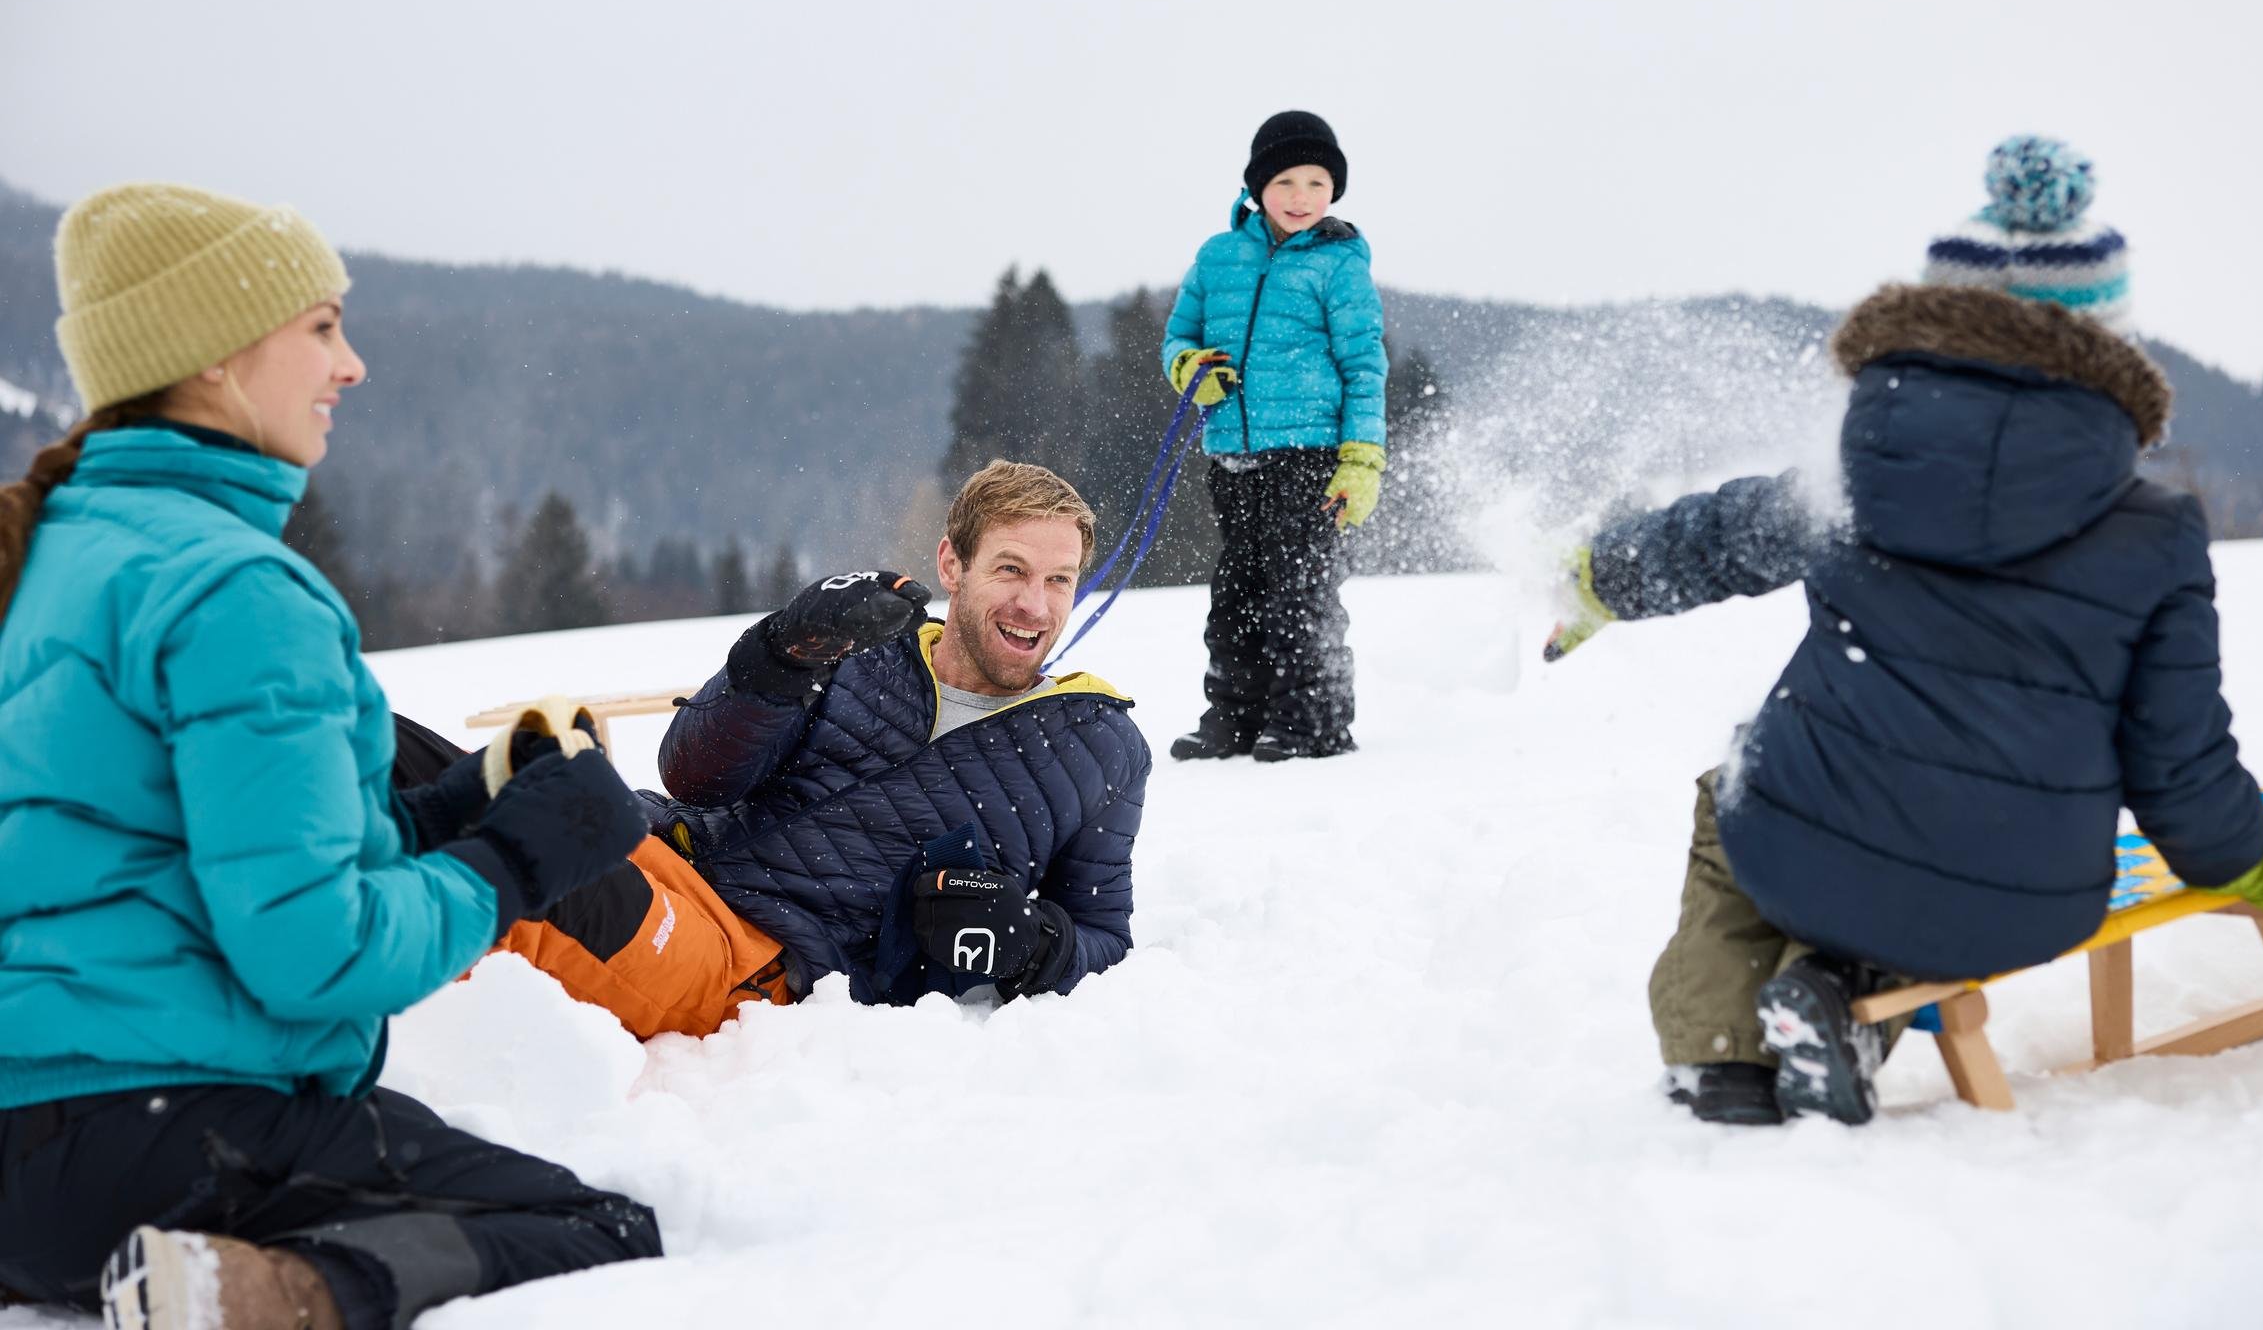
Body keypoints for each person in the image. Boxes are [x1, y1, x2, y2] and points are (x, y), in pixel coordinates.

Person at [1545, 138, 2263, 1126]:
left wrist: (1601, 576)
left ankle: (1722, 1058)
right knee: (1918, 849)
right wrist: (2254, 852)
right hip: (2028, 890)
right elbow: (2178, 766)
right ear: (2108, 341)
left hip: (1812, 834)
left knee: (1740, 795)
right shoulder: (2157, 528)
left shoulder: (1851, 473)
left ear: (1937, 319)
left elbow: (1717, 541)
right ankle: (1833, 1004)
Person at [0, 184, 659, 1330]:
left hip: (28, 1156)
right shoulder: (238, 590)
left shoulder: (61, 557)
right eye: (320, 327)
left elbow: (197, 862)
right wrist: (513, 861)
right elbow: (315, 953)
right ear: (210, 358)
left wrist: (457, 804)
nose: (350, 365)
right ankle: (271, 1297)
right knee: (601, 1231)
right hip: (165, 1135)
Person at [490, 459, 1150, 1037]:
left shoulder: (1099, 748)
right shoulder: (862, 646)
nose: (1035, 604)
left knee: (511, 882)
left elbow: (1106, 937)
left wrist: (1032, 945)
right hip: (657, 846)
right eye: (1011, 569)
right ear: (953, 564)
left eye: (1059, 580)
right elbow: (691, 776)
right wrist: (781, 653)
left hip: (751, 953)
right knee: (430, 777)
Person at [1160, 109, 1388, 763]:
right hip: (1234, 452)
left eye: (1317, 183)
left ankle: (1312, 719)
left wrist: (1362, 460)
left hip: (1314, 455)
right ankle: (1236, 714)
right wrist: (1189, 369)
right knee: (1237, 590)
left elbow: (1365, 366)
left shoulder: (1339, 263)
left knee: (1300, 589)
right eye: (1286, 181)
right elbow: (1179, 337)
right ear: (1257, 186)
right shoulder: (1218, 256)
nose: (1301, 198)